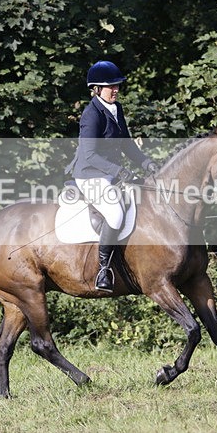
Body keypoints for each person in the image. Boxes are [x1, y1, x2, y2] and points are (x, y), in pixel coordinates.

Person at [66, 60, 159, 292]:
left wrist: (146, 162)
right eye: (111, 86)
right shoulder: (91, 114)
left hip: (109, 174)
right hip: (90, 175)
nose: (115, 89)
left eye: (117, 85)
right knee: (115, 214)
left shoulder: (116, 109)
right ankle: (103, 270)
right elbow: (90, 154)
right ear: (97, 89)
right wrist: (118, 171)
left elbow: (127, 144)